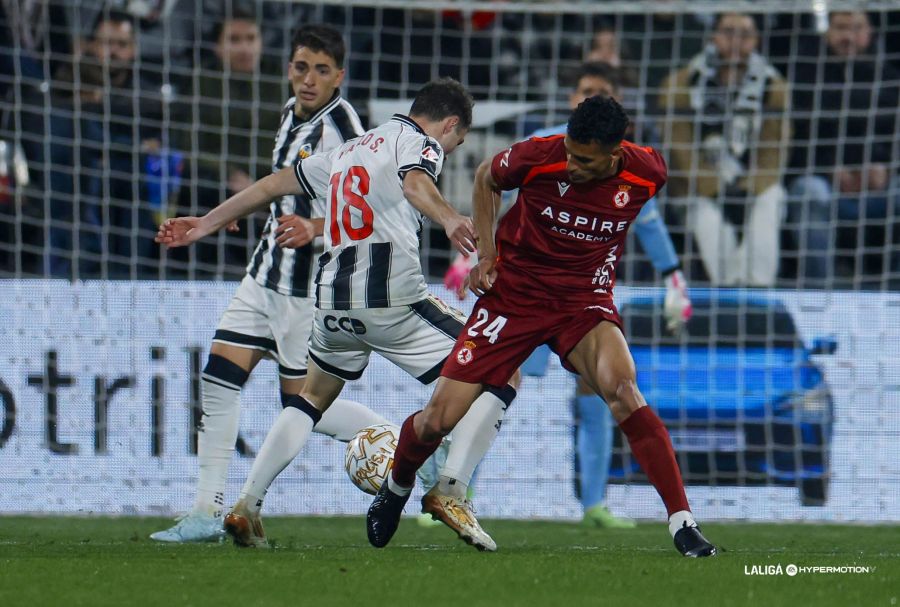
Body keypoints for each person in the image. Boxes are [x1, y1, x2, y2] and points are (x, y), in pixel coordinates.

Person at [155, 77, 519, 552]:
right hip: (392, 300)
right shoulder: (419, 142)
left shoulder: (347, 151)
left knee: (310, 399)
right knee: (502, 369)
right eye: (458, 141)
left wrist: (205, 223)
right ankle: (451, 487)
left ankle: (247, 503)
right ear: (450, 125)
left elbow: (272, 184)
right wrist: (450, 217)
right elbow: (415, 182)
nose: (451, 149)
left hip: (332, 304)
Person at [368, 95, 717, 558]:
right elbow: (486, 177)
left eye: (585, 161)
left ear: (615, 154)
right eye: (570, 153)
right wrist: (487, 255)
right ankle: (396, 487)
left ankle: (682, 522)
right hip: (515, 297)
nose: (572, 165)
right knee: (438, 420)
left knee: (623, 389)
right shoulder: (539, 155)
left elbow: (642, 220)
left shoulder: (648, 172)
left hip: (583, 302)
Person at [151, 24, 393, 543]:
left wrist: (315, 227)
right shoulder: (289, 113)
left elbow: (373, 210)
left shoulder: (344, 128)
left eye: (321, 71)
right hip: (263, 277)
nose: (309, 79)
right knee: (218, 379)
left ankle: (411, 441)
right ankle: (206, 511)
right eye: (302, 67)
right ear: (289, 69)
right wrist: (221, 218)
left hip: (307, 293)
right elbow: (278, 189)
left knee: (305, 408)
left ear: (339, 77)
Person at [526, 61, 691, 529]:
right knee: (497, 387)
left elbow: (650, 222)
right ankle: (459, 488)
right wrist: (473, 255)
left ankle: (594, 503)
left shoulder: (629, 163)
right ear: (570, 98)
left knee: (599, 391)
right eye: (583, 90)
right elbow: (501, 199)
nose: (588, 98)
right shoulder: (542, 145)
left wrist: (673, 275)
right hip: (528, 291)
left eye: (599, 91)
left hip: (583, 297)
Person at [659, 12, 790, 286]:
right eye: (728, 32)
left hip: (753, 185)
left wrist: (747, 189)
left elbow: (774, 152)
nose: (736, 41)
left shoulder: (774, 87)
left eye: (746, 34)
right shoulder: (681, 83)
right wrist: (716, 189)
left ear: (757, 40)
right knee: (709, 220)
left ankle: (756, 286)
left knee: (772, 199)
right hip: (694, 187)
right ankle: (730, 289)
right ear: (713, 36)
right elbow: (680, 149)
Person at [169, 9, 287, 279]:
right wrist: (230, 174)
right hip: (217, 181)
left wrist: (262, 184)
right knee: (199, 186)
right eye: (234, 40)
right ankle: (194, 275)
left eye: (251, 39)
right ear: (218, 47)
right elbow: (188, 143)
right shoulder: (202, 82)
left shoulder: (281, 83)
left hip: (269, 181)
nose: (244, 48)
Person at [787, 10, 900, 287]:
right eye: (840, 27)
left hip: (882, 183)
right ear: (827, 32)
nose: (848, 36)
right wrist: (829, 169)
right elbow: (794, 144)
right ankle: (820, 291)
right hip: (824, 181)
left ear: (870, 32)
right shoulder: (805, 78)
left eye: (856, 27)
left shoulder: (891, 80)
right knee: (808, 192)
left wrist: (886, 168)